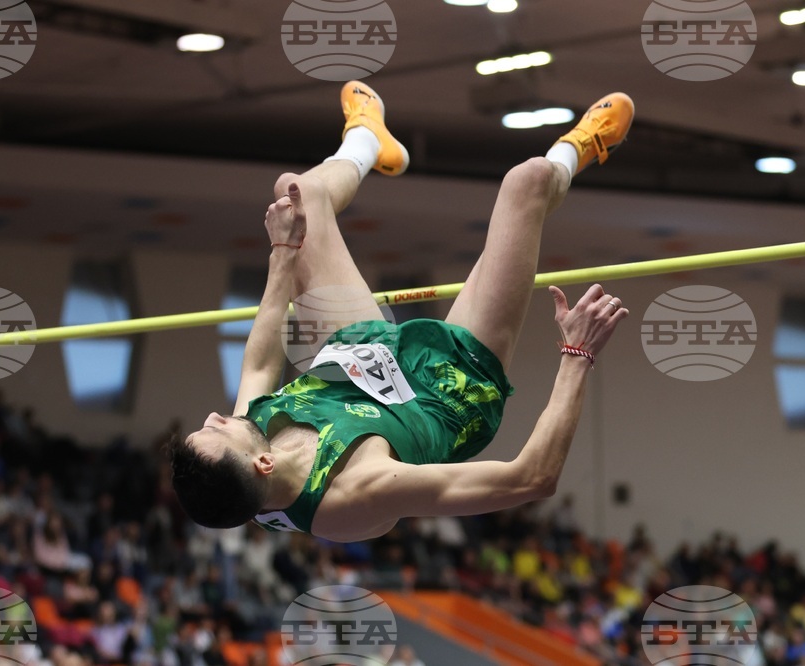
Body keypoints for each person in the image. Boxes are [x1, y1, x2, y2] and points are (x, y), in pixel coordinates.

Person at [169, 80, 633, 541]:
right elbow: (531, 478)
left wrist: (283, 252)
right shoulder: (356, 493)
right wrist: (577, 355)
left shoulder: (247, 452)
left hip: (351, 355)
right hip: (444, 388)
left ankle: (367, 139)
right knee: (527, 181)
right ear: (264, 463)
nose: (215, 417)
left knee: (296, 194)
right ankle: (579, 147)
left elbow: (262, 361)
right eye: (218, 429)